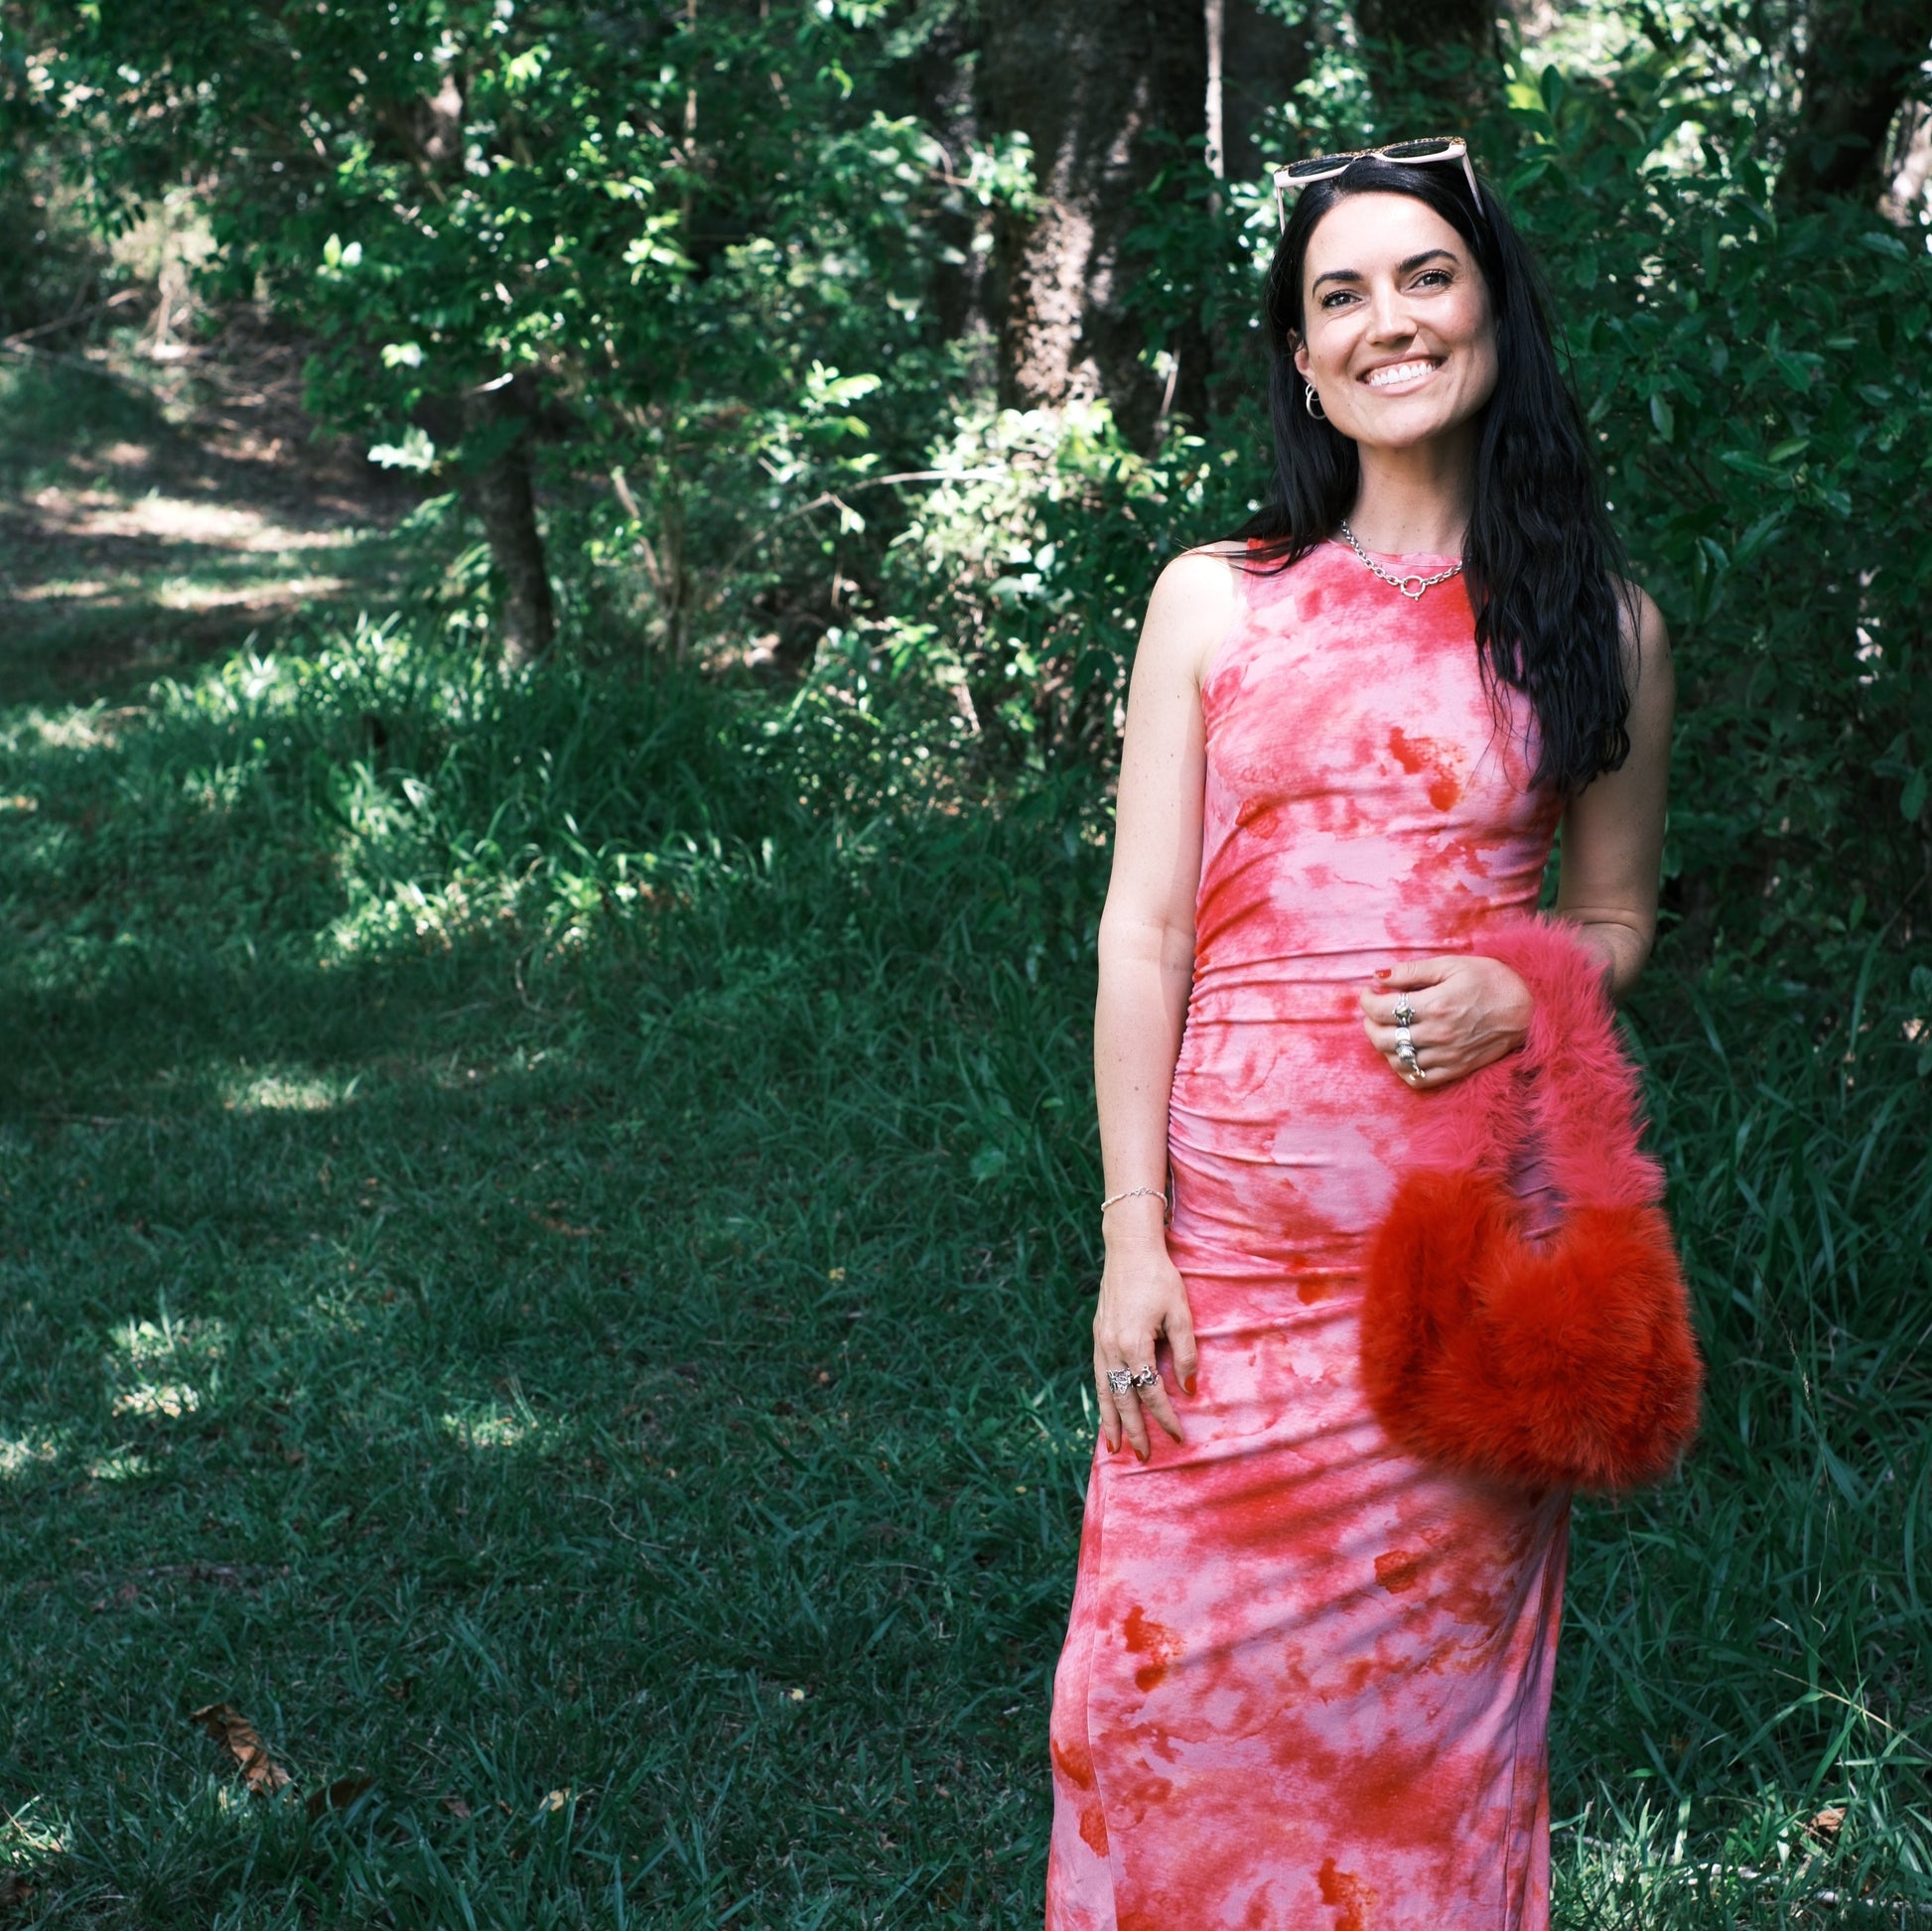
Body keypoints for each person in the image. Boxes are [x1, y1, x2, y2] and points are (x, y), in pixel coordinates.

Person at [1045, 138, 1673, 1930]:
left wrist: (1529, 972)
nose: (1387, 319)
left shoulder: (1602, 631)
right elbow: (1142, 930)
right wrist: (1129, 1235)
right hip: (1222, 1273)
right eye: (1340, 295)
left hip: (1453, 1284)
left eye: (1424, 276)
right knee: (1143, 1710)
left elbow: (1621, 918)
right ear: (1303, 359)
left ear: (1491, 311)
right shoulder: (1214, 600)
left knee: (1423, 1749)